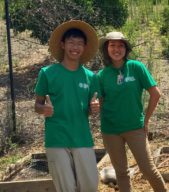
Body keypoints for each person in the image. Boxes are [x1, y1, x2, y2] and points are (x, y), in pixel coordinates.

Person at [34, 20, 100, 192]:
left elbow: (91, 107)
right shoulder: (47, 73)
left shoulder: (90, 77)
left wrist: (94, 108)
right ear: (62, 45)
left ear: (84, 47)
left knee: (90, 185)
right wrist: (44, 109)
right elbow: (37, 105)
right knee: (66, 188)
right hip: (57, 139)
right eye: (71, 42)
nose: (75, 47)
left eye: (79, 43)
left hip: (82, 137)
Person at [97, 31, 167, 192]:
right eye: (112, 45)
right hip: (110, 131)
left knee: (148, 169)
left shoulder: (136, 67)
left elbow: (155, 94)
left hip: (135, 127)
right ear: (107, 48)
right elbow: (98, 103)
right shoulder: (102, 75)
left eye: (120, 45)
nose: (116, 49)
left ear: (126, 49)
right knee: (121, 173)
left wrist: (146, 120)